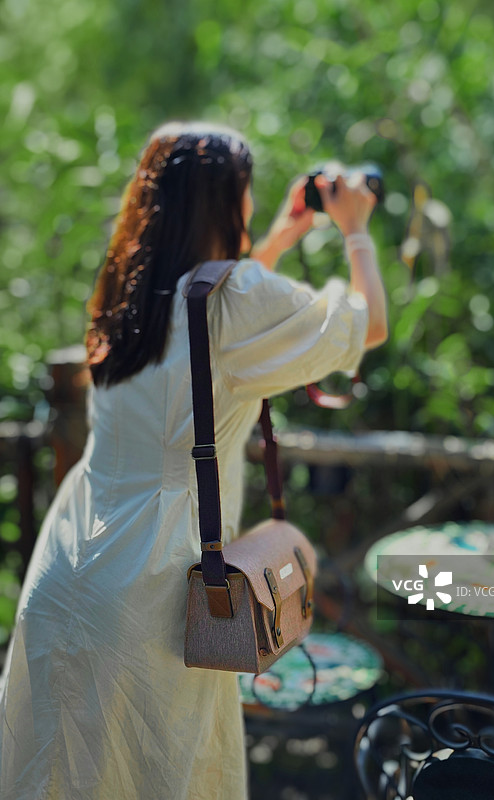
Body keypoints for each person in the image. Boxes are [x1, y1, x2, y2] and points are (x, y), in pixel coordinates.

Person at [0, 121, 387, 800]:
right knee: (159, 774)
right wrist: (354, 226)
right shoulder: (236, 303)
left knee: (60, 773)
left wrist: (280, 236)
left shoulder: (128, 287)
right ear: (224, 202)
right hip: (154, 592)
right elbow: (368, 324)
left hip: (70, 572)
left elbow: (216, 313)